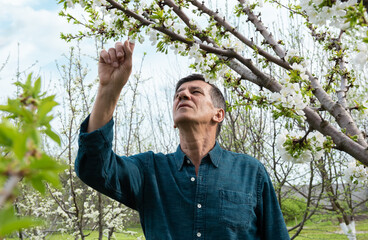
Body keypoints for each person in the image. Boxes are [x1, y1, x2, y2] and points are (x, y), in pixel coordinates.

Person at [75, 40, 290, 240]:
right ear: (175, 121)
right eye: (178, 94)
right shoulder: (149, 171)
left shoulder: (251, 172)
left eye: (195, 92)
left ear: (218, 114)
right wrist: (108, 90)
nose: (183, 95)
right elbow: (93, 167)